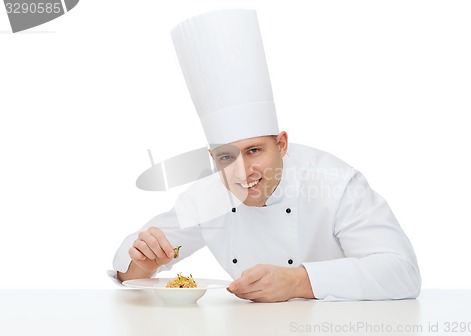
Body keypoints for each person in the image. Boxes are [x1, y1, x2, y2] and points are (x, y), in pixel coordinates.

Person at [111, 9, 421, 302]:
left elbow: (402, 271)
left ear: (282, 144)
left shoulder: (336, 184)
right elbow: (128, 268)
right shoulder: (207, 197)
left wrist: (297, 281)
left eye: (254, 150)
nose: (243, 172)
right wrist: (146, 262)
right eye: (226, 157)